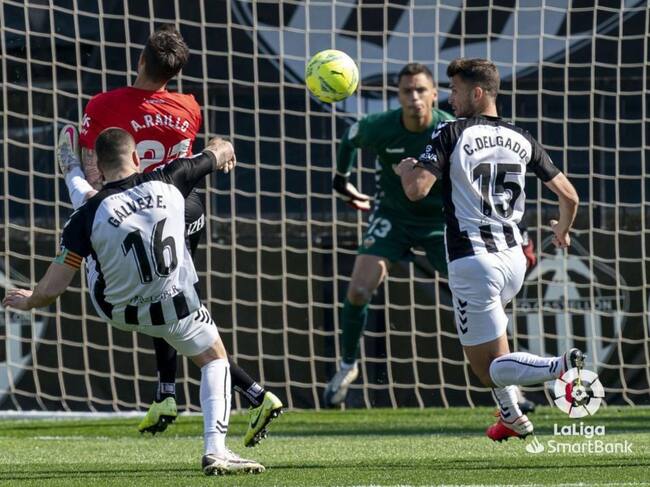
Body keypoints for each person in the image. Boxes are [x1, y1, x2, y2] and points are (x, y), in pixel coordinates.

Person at [58, 24, 281, 446]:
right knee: (170, 301)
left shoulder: (104, 104)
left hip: (134, 212)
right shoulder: (188, 107)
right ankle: (166, 393)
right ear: (176, 72)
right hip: (183, 208)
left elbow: (94, 170)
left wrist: (75, 176)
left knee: (164, 305)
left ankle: (253, 394)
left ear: (141, 59)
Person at [5, 127, 264, 474]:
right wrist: (220, 149)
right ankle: (216, 449)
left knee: (88, 220)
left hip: (119, 309)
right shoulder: (172, 177)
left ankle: (71, 172)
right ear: (137, 157)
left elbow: (54, 287)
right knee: (215, 360)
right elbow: (222, 150)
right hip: (174, 302)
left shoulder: (86, 215)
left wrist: (31, 301)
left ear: (99, 167)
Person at [323, 63, 537, 413]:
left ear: (435, 95)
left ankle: (511, 390)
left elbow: (493, 186)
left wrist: (520, 233)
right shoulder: (381, 126)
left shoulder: (451, 130)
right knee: (359, 288)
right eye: (407, 91)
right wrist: (342, 180)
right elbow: (350, 138)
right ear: (398, 96)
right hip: (393, 217)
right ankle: (347, 367)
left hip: (443, 223)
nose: (414, 97)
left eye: (421, 90)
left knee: (484, 296)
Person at [396, 58, 582, 441]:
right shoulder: (521, 137)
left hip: (473, 261)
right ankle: (512, 417)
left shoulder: (452, 132)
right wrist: (562, 231)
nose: (450, 99)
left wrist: (406, 171)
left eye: (455, 90)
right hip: (514, 261)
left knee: (489, 369)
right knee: (496, 345)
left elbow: (417, 190)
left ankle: (560, 366)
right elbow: (570, 196)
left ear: (477, 93)